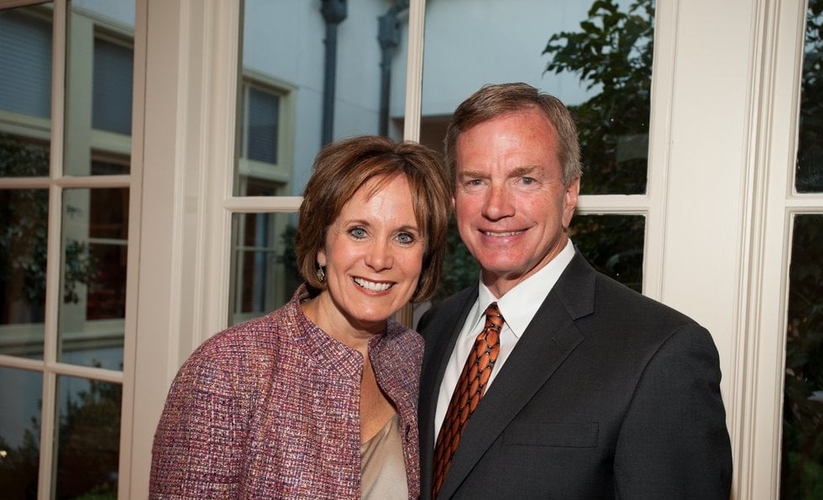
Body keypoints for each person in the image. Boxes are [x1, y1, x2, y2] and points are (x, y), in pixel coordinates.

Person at [417, 82, 733, 500]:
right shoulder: (434, 328)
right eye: (475, 181)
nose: (495, 207)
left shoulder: (661, 353)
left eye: (525, 179)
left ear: (569, 194)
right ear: (455, 196)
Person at [149, 135, 450, 499]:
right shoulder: (228, 368)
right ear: (321, 246)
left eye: (404, 237)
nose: (379, 259)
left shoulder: (413, 356)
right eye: (358, 231)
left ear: (424, 256)